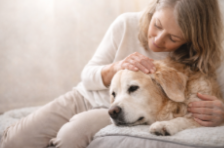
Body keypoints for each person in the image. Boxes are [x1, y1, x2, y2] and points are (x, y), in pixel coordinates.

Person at [1, 0, 224, 148]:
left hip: (115, 112)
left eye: (173, 38)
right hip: (85, 96)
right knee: (13, 141)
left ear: (192, 39)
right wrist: (116, 67)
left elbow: (214, 96)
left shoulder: (206, 57)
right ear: (154, 8)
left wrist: (220, 111)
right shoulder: (126, 23)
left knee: (69, 137)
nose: (157, 40)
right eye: (157, 25)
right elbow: (87, 75)